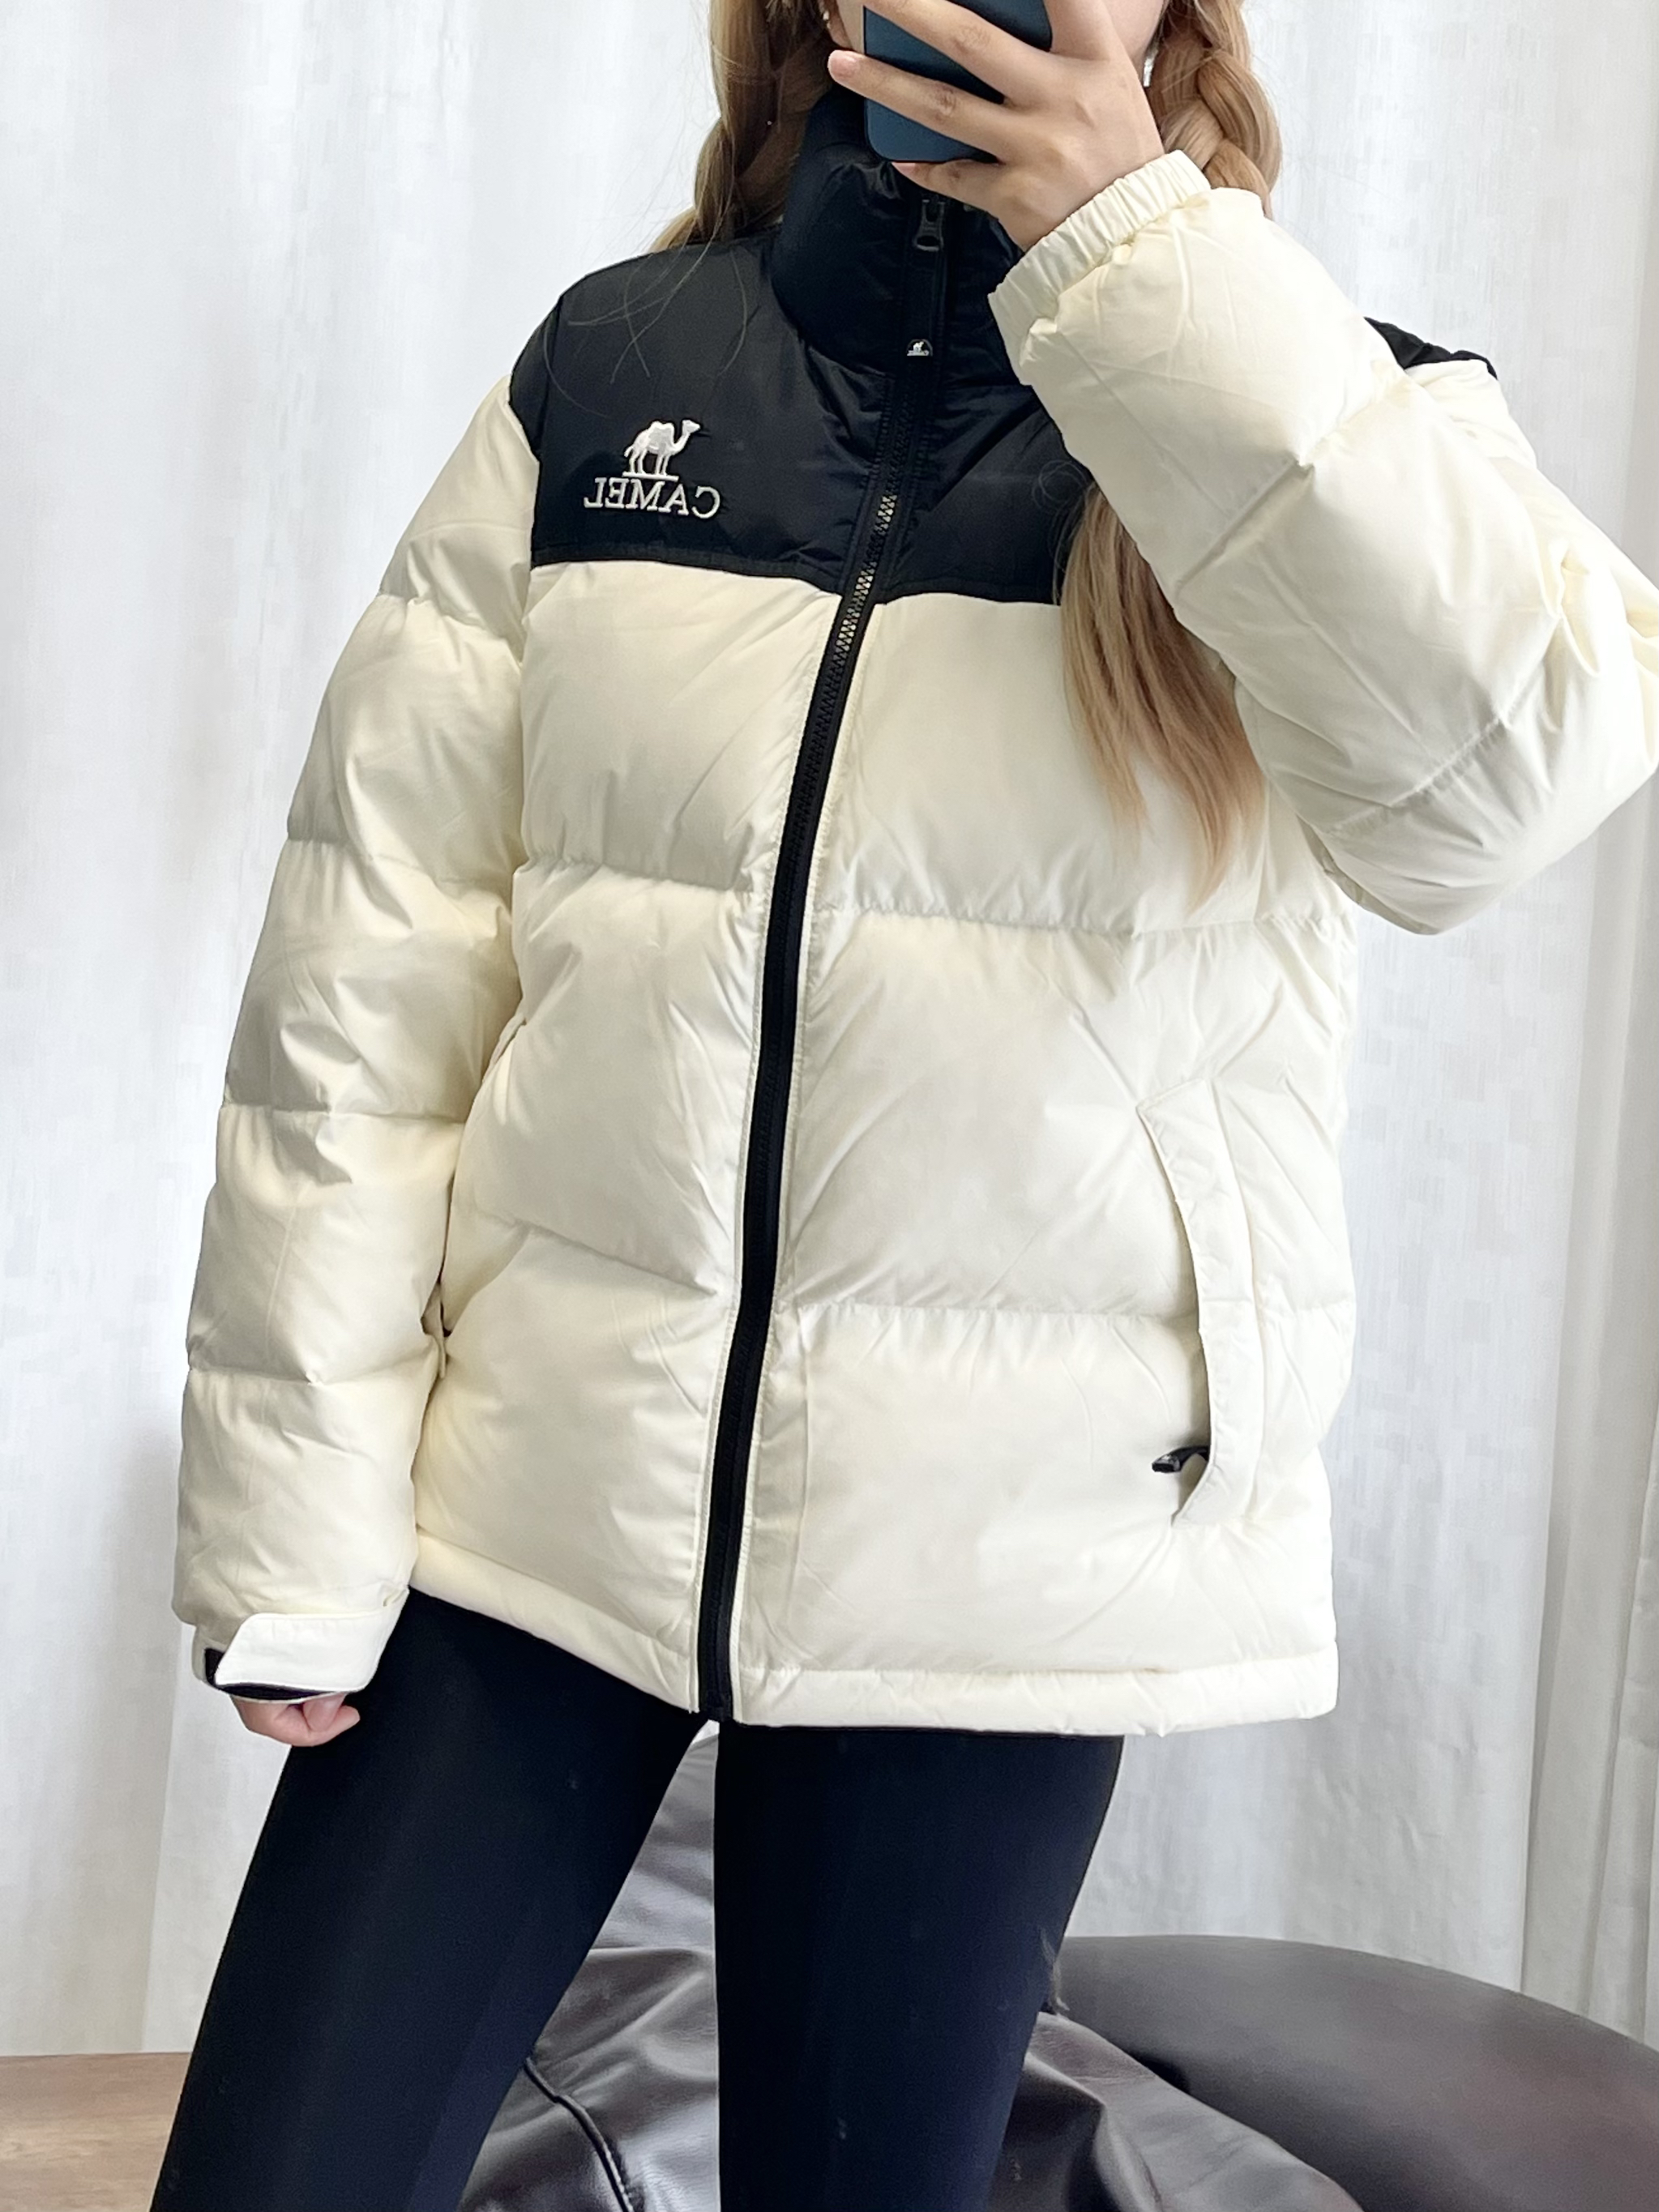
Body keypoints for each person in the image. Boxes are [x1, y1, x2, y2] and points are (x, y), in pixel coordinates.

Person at [152, 2, 1659, 2209]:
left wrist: (1137, 258)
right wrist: (289, 1523)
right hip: (534, 1497)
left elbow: (1502, 790)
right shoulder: (610, 376)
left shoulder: (1322, 396)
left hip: (998, 1557)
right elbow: (366, 988)